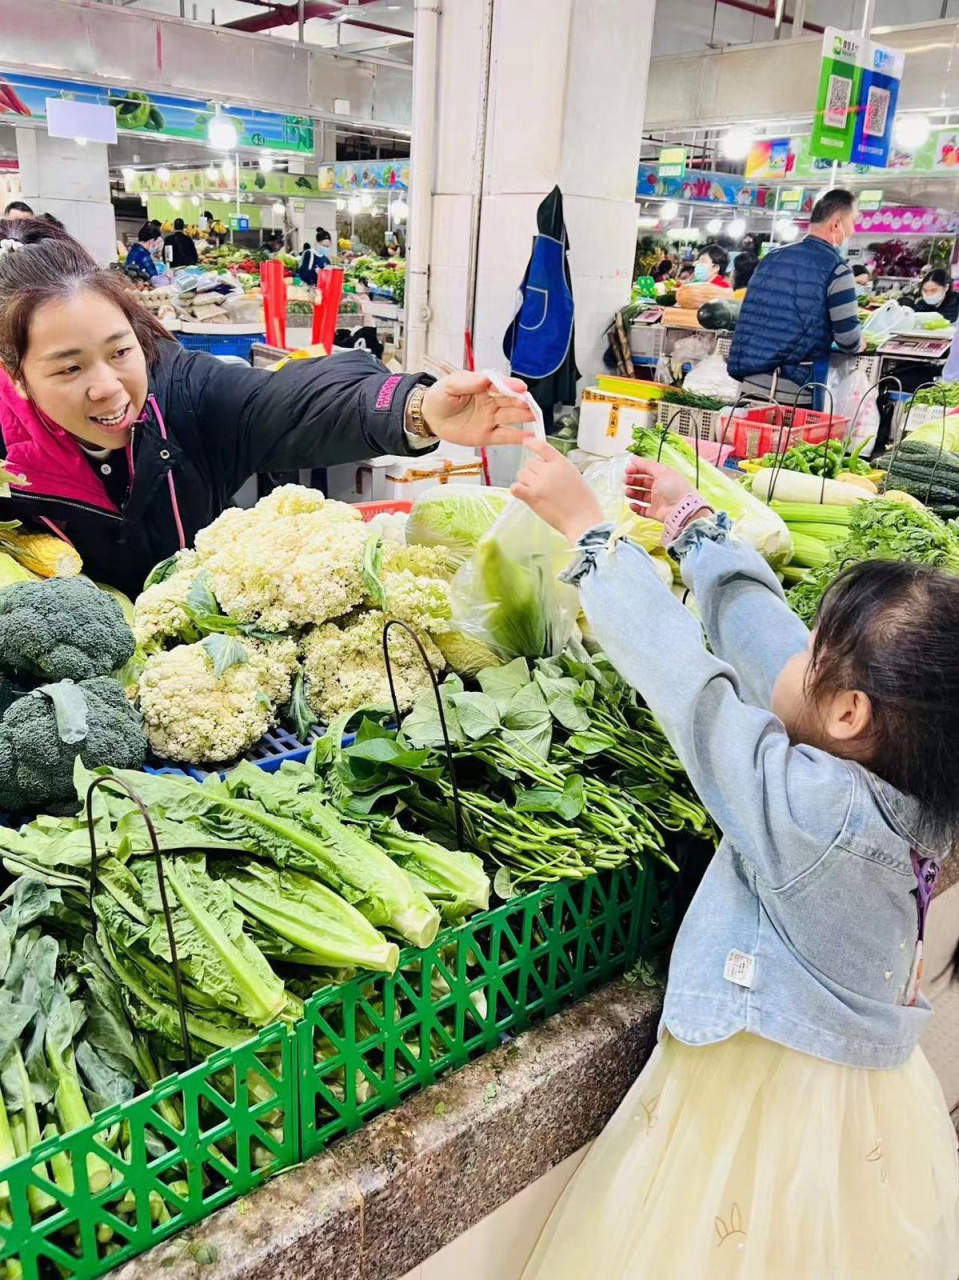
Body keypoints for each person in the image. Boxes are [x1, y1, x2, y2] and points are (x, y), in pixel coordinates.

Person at [507, 434, 959, 1279]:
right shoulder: (925, 794)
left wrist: (591, 536)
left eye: (817, 649)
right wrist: (694, 529)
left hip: (757, 1096)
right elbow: (772, 654)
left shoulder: (809, 814)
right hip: (864, 1101)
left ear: (851, 715)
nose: (798, 649)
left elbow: (692, 687)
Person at [0, 217, 533, 597]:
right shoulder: (7, 467)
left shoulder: (182, 392)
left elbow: (290, 400)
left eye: (120, 352)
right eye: (69, 369)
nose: (108, 388)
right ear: (17, 377)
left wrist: (417, 409)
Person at [728, 188, 863, 391]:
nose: (853, 230)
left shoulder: (771, 258)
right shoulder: (836, 269)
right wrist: (860, 343)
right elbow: (848, 339)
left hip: (749, 381)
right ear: (836, 224)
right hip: (791, 388)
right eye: (853, 222)